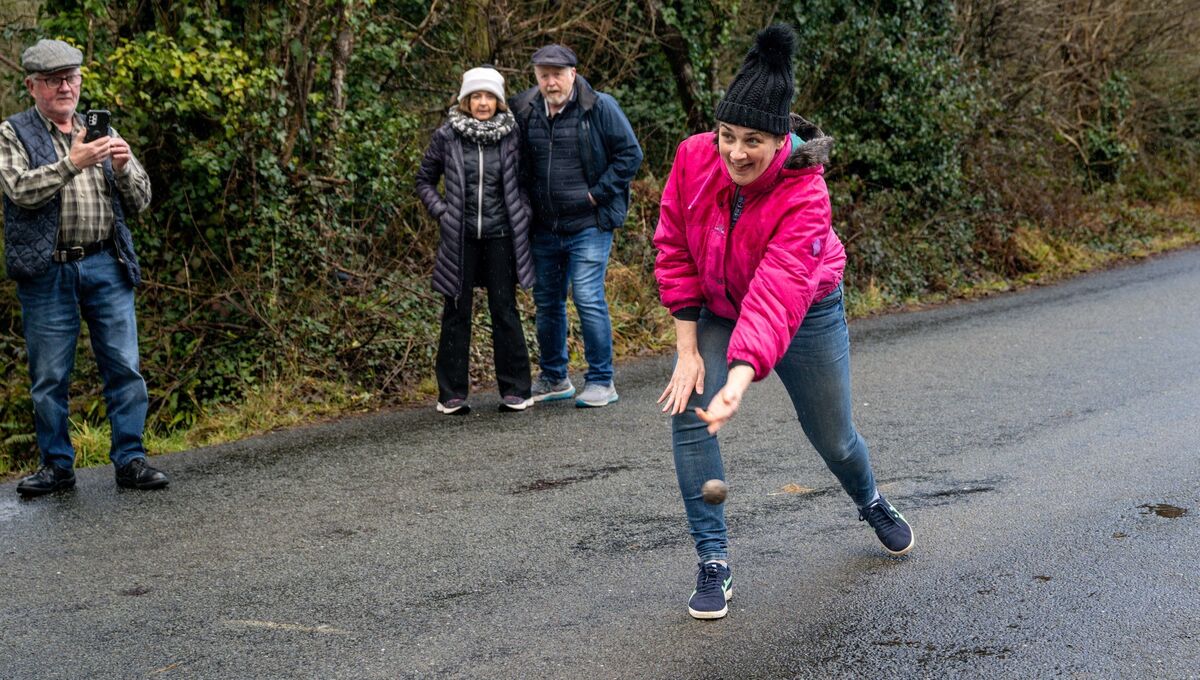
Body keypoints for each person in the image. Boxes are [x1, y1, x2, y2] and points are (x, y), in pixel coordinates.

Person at [653, 24, 914, 620]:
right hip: (719, 307)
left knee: (834, 437)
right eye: (727, 136)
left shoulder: (805, 195)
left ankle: (870, 499)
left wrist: (738, 381)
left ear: (780, 140)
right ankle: (713, 560)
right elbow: (673, 246)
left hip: (805, 310)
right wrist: (688, 350)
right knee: (690, 411)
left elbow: (777, 292)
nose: (736, 153)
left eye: (753, 141)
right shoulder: (694, 158)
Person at [1, 39, 167, 496]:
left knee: (124, 367)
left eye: (71, 78)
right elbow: (19, 190)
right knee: (50, 377)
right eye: (53, 80)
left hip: (106, 263)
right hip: (47, 270)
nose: (65, 87)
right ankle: (57, 467)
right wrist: (71, 163)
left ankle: (131, 460)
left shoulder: (100, 130)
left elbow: (142, 201)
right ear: (32, 86)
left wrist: (123, 168)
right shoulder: (13, 132)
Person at [510, 44, 643, 408]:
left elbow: (630, 155)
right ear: (536, 77)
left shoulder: (599, 107)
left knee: (587, 296)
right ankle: (555, 377)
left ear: (573, 73)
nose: (550, 82)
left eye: (557, 75)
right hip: (544, 227)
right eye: (543, 76)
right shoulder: (524, 109)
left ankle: (601, 380)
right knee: (547, 302)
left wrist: (597, 195)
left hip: (589, 223)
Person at [415, 65, 535, 415]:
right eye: (476, 96)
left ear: (499, 101)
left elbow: (526, 180)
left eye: (490, 97)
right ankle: (451, 394)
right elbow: (424, 180)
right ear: (465, 100)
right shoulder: (446, 136)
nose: (483, 103)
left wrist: (523, 212)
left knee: (504, 310)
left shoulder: (513, 135)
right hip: (460, 237)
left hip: (501, 236)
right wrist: (442, 211)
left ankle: (516, 390)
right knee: (456, 312)